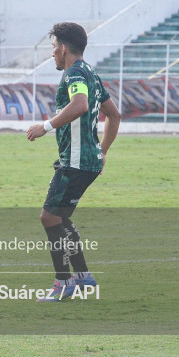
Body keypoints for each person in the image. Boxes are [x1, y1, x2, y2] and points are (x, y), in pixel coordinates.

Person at [26, 22, 121, 302]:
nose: (52, 52)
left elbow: (80, 105)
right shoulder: (91, 72)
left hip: (76, 161)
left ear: (64, 48)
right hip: (86, 160)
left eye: (54, 47)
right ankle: (82, 276)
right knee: (60, 216)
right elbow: (114, 115)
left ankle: (63, 283)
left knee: (49, 217)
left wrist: (45, 126)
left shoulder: (75, 73)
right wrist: (102, 152)